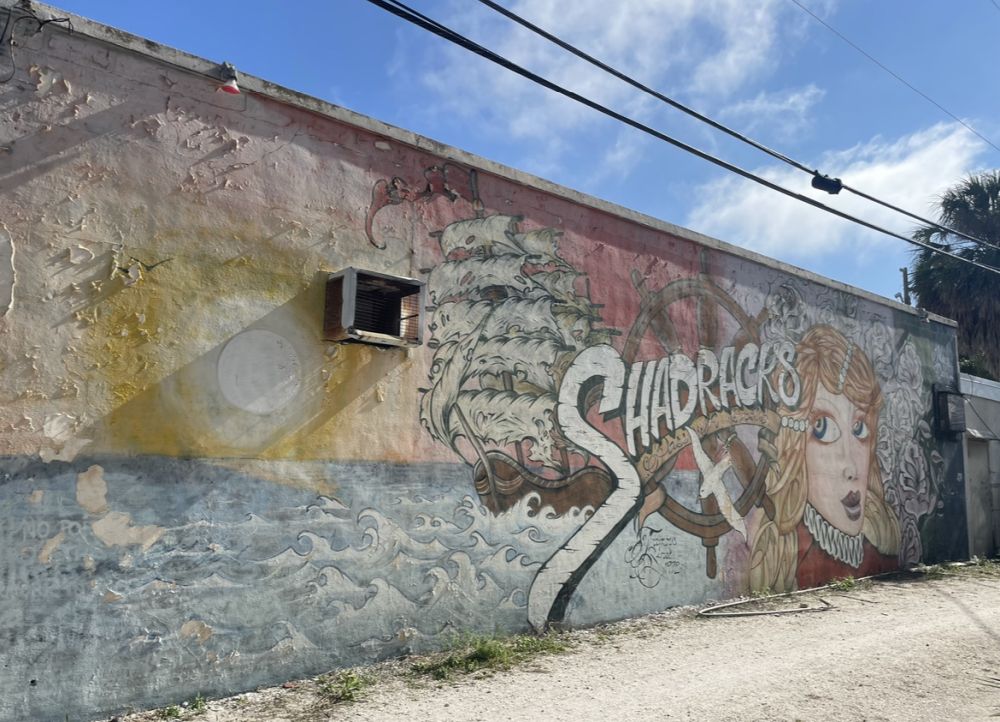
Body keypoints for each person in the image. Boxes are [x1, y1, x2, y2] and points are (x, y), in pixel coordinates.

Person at [750, 325, 900, 592]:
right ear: (795, 446)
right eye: (823, 429)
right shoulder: (778, 557)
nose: (851, 467)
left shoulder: (883, 549)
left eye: (860, 429)